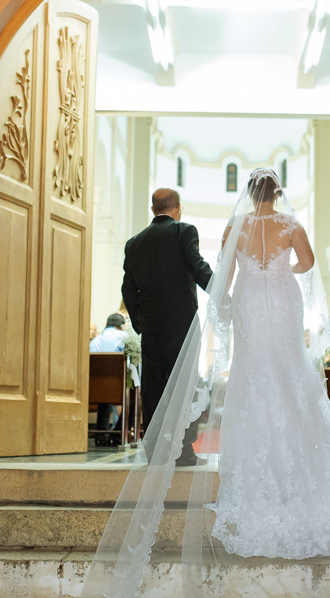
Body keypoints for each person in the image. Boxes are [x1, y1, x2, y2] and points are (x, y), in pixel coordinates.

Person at [84, 168, 330, 598]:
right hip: (282, 300)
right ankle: (295, 449)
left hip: (249, 303)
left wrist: (228, 298)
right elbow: (308, 264)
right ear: (277, 193)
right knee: (287, 370)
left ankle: (225, 456)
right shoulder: (291, 225)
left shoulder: (235, 226)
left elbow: (222, 274)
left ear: (249, 193)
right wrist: (281, 270)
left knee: (251, 372)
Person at [121, 188, 213, 466]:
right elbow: (197, 266)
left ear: (153, 210)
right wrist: (221, 292)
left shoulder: (134, 243)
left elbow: (128, 289)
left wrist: (140, 323)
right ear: (178, 208)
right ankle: (183, 451)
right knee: (184, 386)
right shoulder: (184, 231)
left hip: (151, 329)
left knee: (154, 389)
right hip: (183, 326)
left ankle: (155, 451)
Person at [89, 314, 129, 445]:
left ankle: (101, 434)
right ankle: (118, 432)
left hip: (95, 389)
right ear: (121, 326)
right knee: (132, 395)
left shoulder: (95, 340)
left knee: (103, 391)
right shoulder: (125, 337)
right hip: (118, 385)